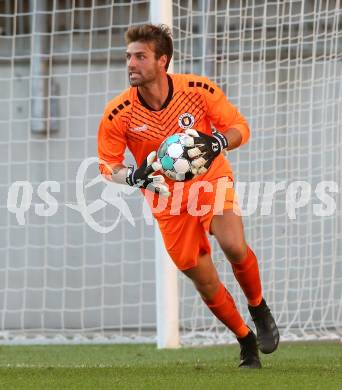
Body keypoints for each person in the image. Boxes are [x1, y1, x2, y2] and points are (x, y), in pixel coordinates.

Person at [98, 24, 279, 369]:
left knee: (233, 244)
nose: (130, 64)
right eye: (128, 57)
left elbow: (241, 127)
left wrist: (219, 142)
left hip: (210, 181)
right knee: (205, 279)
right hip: (166, 200)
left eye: (140, 56)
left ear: (162, 61)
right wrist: (134, 177)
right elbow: (107, 166)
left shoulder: (197, 89)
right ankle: (246, 340)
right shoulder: (118, 113)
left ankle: (258, 306)